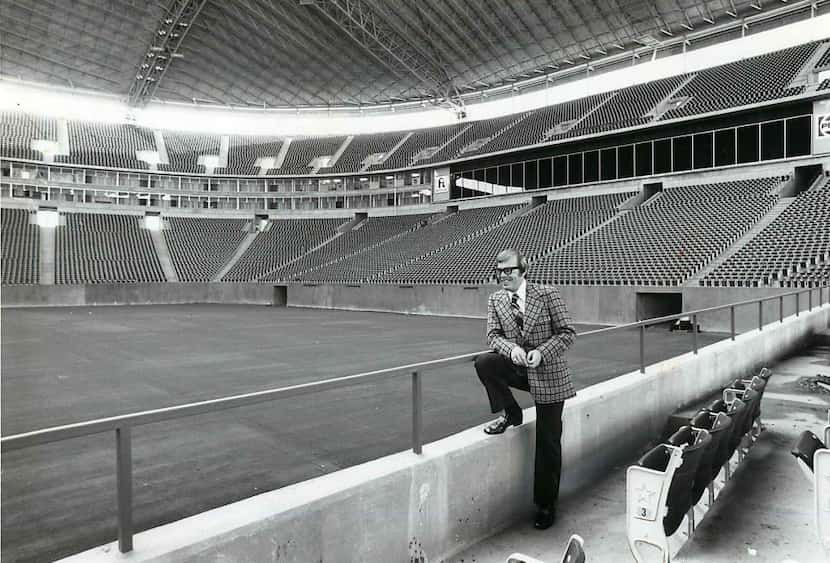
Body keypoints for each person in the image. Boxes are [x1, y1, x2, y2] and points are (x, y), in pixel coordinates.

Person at [474, 248, 576, 530]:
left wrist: (542, 352)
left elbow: (567, 332)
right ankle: (512, 413)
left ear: (524, 269)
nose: (503, 275)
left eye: (509, 270)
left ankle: (545, 505)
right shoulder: (496, 299)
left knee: (548, 442)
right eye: (499, 270)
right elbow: (492, 336)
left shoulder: (547, 294)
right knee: (485, 363)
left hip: (549, 374)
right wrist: (512, 349)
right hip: (519, 368)